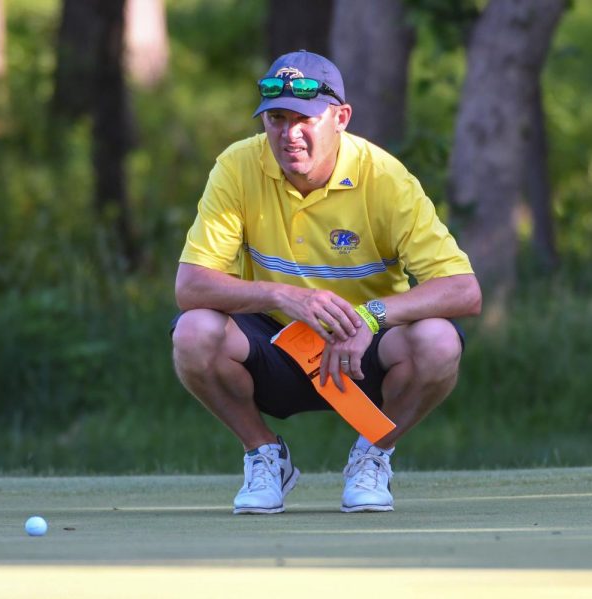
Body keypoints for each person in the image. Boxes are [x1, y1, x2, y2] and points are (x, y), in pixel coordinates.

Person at [171, 50, 481, 514]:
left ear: (341, 118)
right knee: (194, 332)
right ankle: (264, 455)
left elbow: (463, 291)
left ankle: (373, 456)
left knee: (438, 342)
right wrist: (282, 295)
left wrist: (369, 318)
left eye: (305, 119)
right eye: (276, 118)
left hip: (366, 355)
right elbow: (190, 287)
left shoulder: (385, 177)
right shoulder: (238, 166)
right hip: (274, 345)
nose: (288, 134)